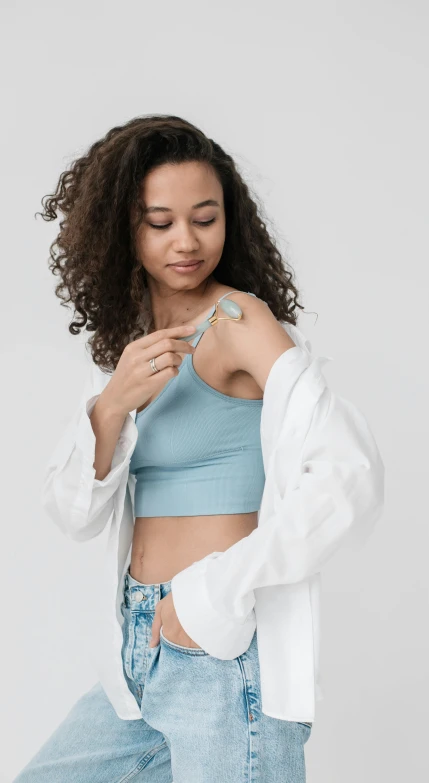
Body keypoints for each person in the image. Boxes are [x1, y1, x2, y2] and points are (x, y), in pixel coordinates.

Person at [15, 114, 385, 782]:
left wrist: (213, 594)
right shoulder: (130, 346)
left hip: (220, 649)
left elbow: (347, 474)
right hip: (137, 647)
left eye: (204, 218)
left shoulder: (241, 322)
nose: (185, 241)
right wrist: (112, 403)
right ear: (121, 228)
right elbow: (72, 511)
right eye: (160, 222)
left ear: (229, 220)